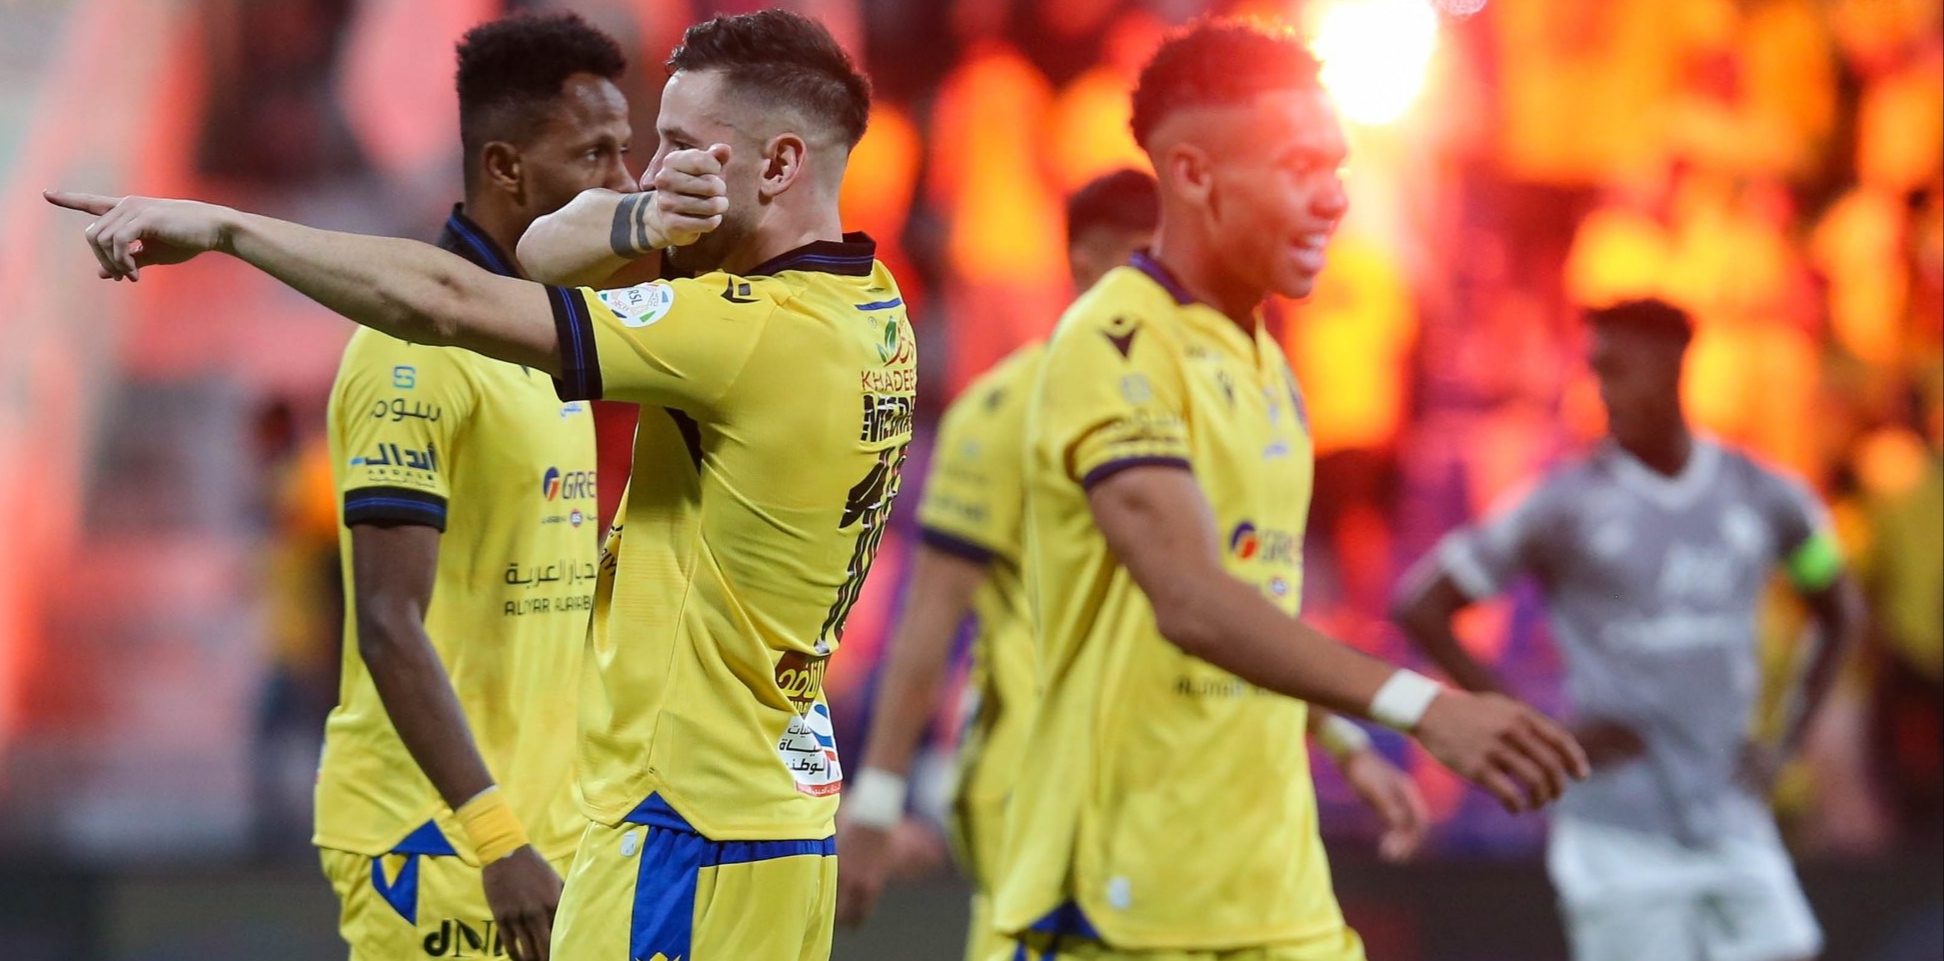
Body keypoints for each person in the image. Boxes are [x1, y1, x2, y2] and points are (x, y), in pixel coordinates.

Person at [48, 11, 899, 961]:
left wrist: (225, 227)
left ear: (778, 164)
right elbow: (542, 258)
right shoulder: (873, 310)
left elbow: (451, 299)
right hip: (771, 823)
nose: (650, 174)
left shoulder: (734, 334)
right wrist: (649, 220)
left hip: (680, 829)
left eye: (677, 148)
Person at [989, 20, 1587, 961]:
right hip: (1128, 899)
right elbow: (1194, 601)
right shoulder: (1114, 343)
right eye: (1299, 167)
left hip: (1276, 887)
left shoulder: (1268, 363)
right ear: (1194, 174)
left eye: (1337, 167)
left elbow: (1254, 604)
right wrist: (1422, 707)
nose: (1336, 199)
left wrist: (1340, 745)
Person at [834, 168, 1428, 959]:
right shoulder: (1006, 410)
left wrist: (1344, 744)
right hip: (1049, 787)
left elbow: (1239, 607)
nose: (1163, 286)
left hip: (1194, 779)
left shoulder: (1210, 396)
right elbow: (930, 617)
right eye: (1141, 260)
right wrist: (876, 800)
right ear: (1083, 265)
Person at [1392, 298, 1867, 961]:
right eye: (1596, 372)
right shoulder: (1562, 504)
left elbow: (1838, 607)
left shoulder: (1764, 494)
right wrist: (1533, 726)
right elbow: (1422, 605)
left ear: (1674, 365)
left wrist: (1785, 743)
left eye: (1620, 370)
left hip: (1731, 816)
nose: (1605, 392)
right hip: (1617, 832)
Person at [312, 14, 629, 961]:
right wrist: (496, 837)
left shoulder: (553, 339)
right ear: (506, 169)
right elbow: (387, 620)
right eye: (595, 154)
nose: (625, 182)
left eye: (627, 151)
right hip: (441, 840)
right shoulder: (409, 354)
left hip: (549, 832)